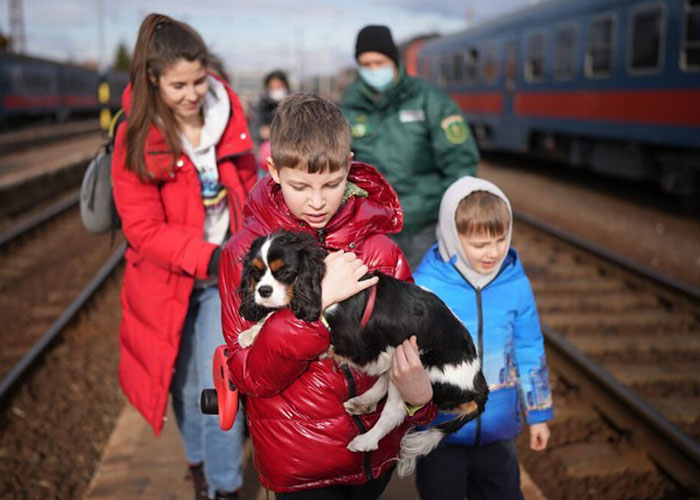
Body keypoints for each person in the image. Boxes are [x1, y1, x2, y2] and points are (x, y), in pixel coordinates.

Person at [218, 93, 437, 499]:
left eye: (332, 184)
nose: (317, 201)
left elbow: (412, 349)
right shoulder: (245, 256)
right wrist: (314, 307)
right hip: (301, 466)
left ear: (348, 166)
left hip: (374, 461)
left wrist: (419, 402)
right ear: (274, 171)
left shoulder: (379, 251)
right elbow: (250, 374)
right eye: (301, 186)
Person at [111, 13, 257, 500]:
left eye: (199, 80)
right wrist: (207, 257)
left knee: (216, 392)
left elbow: (248, 182)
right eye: (178, 85)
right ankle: (198, 466)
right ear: (152, 79)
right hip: (166, 281)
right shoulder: (136, 133)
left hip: (223, 278)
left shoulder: (226, 110)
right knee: (181, 390)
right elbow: (143, 228)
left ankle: (223, 488)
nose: (193, 93)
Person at [412, 176, 553, 500]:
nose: (493, 253)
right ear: (452, 236)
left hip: (497, 431)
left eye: (501, 240)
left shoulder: (515, 283)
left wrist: (539, 414)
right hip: (439, 434)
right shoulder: (426, 285)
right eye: (479, 245)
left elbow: (529, 348)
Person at [341, 25, 480, 269]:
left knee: (422, 295)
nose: (373, 70)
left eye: (379, 62)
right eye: (366, 64)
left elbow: (459, 160)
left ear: (393, 61)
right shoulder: (350, 108)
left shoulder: (429, 100)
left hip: (425, 225)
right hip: (372, 227)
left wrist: (453, 213)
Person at [253, 70, 290, 174]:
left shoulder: (293, 106)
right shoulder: (262, 105)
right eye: (273, 88)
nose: (276, 90)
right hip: (266, 156)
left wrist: (273, 132)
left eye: (279, 87)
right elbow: (256, 130)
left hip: (289, 155)